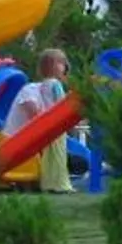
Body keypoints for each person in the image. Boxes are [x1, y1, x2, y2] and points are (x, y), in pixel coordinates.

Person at [7, 49, 76, 193]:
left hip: (34, 146)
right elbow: (36, 118)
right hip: (15, 142)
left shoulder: (47, 89)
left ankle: (44, 180)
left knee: (77, 162)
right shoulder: (31, 89)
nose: (65, 67)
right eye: (61, 63)